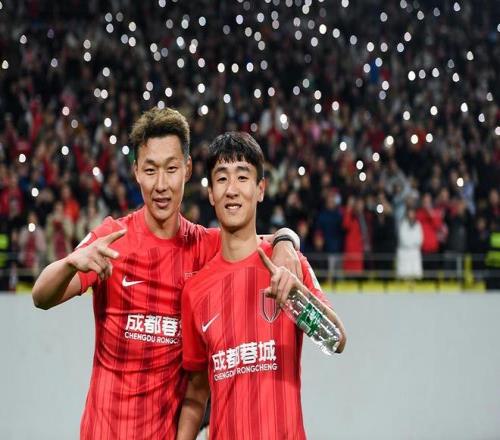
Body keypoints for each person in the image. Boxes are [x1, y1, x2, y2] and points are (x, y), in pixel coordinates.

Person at [31, 108, 302, 439]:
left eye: (171, 169)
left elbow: (260, 242)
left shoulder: (203, 245)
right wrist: (72, 263)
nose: (161, 185)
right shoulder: (112, 238)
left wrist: (286, 241)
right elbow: (41, 297)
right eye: (150, 170)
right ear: (136, 172)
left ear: (187, 169)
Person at [178, 132, 346, 440]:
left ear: (260, 189)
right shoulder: (195, 292)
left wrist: (298, 299)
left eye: (243, 177)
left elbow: (336, 340)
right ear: (211, 193)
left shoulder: (289, 265)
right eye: (222, 178)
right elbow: (196, 394)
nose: (232, 189)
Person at [396, 207, 423, 279]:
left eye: (412, 213)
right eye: (410, 213)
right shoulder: (402, 224)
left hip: (414, 252)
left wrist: (413, 243)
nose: (411, 215)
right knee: (404, 274)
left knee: (414, 274)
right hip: (404, 252)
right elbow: (403, 239)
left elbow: (420, 239)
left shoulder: (418, 224)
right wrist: (412, 243)